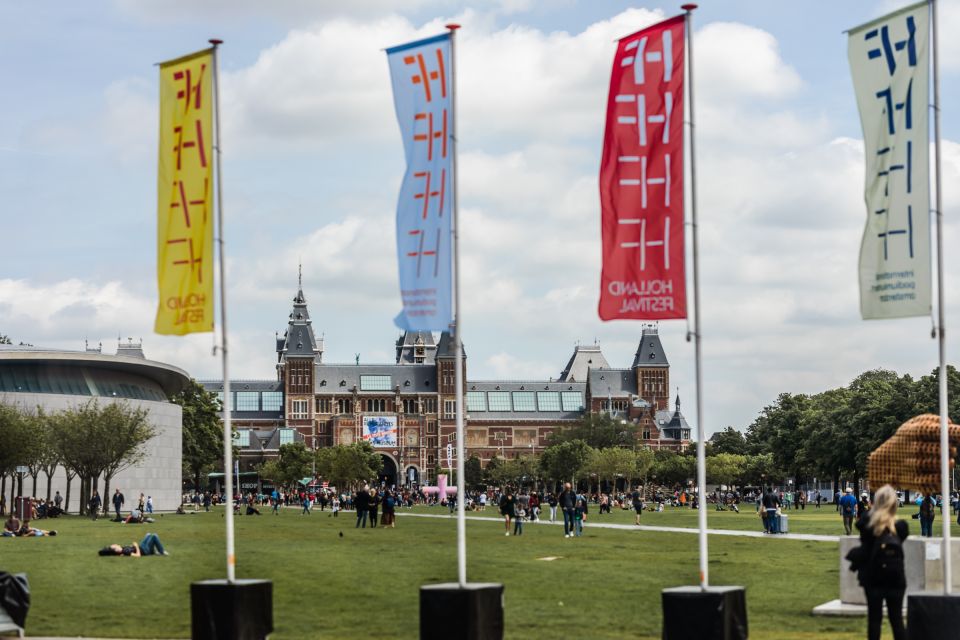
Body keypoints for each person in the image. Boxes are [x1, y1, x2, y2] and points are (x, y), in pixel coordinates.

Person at [855, 485, 908, 640]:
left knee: (874, 620)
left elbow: (860, 523)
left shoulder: (868, 526)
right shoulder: (901, 527)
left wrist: (874, 509)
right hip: (895, 578)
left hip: (873, 577)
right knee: (897, 620)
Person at [99, 532, 169, 557]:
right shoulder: (125, 552)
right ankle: (162, 552)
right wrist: (135, 546)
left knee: (148, 534)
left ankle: (153, 552)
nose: (116, 544)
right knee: (154, 536)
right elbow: (138, 555)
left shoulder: (122, 550)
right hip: (144, 551)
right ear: (116, 550)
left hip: (141, 547)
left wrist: (132, 546)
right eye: (115, 546)